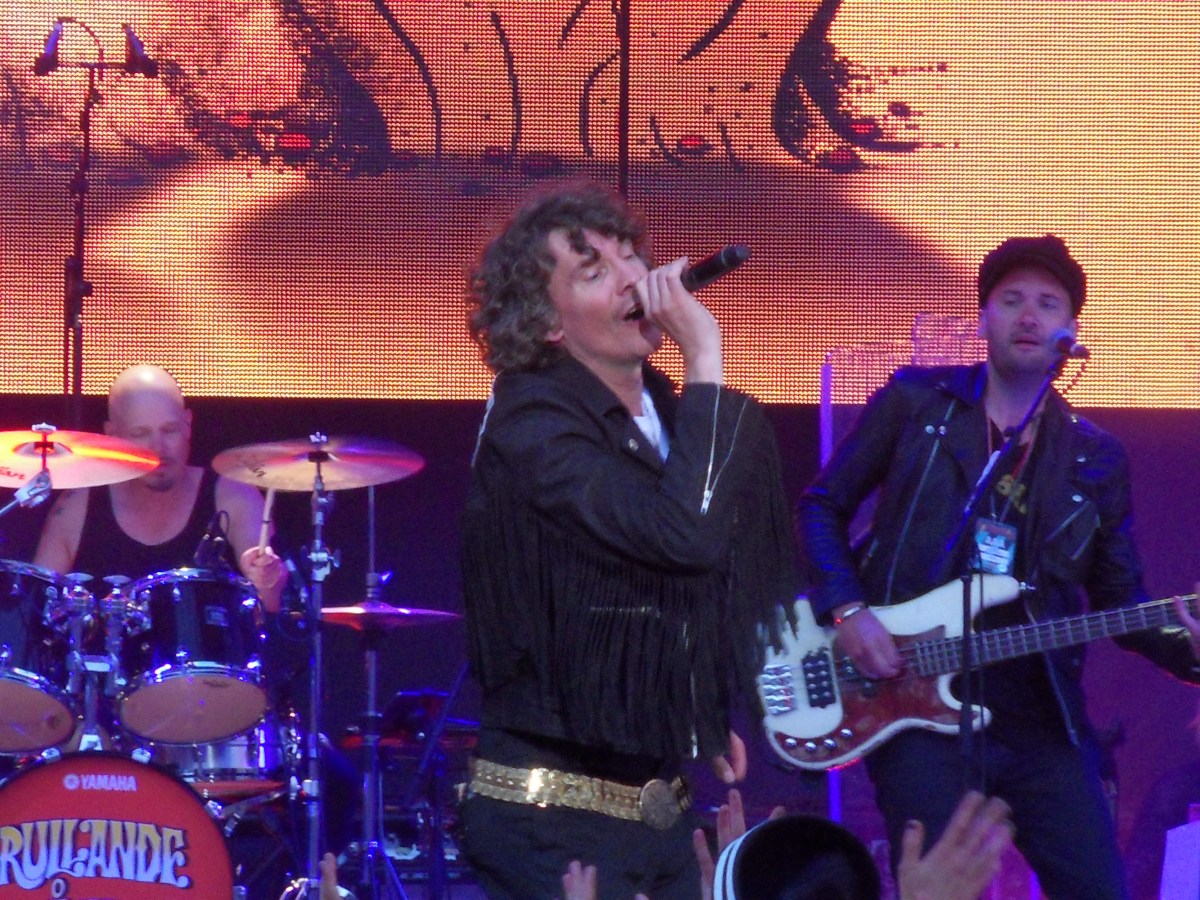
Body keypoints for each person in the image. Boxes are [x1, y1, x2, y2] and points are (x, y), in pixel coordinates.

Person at [797, 234, 1200, 898]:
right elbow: (822, 505)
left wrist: (1188, 646)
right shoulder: (918, 403)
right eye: (1011, 300)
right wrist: (848, 609)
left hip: (1039, 718)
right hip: (914, 701)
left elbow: (1120, 600)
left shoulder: (1094, 458)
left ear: (1071, 333)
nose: (1029, 316)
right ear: (984, 318)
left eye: (1048, 304)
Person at [458, 177, 797, 899]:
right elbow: (683, 538)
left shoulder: (668, 416)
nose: (632, 279)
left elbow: (668, 585)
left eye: (630, 256)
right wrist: (705, 357)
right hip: (552, 821)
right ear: (548, 323)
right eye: (593, 272)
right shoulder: (531, 425)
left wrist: (687, 704)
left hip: (658, 810)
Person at [33, 364, 285, 608]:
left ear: (188, 424)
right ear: (113, 435)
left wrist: (266, 575)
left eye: (169, 430)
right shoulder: (78, 505)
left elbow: (272, 602)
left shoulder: (232, 494)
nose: (159, 447)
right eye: (141, 434)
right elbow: (36, 602)